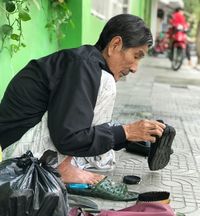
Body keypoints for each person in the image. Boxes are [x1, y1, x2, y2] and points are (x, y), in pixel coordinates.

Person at [0, 14, 165, 185]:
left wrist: (124, 135)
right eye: (136, 56)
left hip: (23, 141)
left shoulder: (84, 62)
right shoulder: (86, 68)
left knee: (105, 144)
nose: (135, 68)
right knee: (106, 87)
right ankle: (62, 168)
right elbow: (69, 138)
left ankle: (78, 159)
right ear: (115, 45)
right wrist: (127, 132)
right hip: (14, 155)